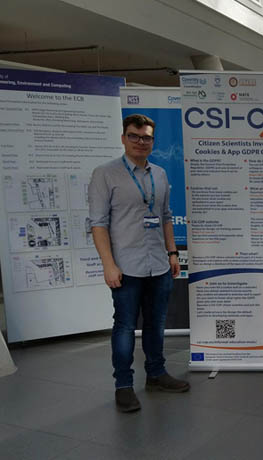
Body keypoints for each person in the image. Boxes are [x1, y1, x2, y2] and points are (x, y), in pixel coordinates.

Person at [89, 114, 189, 413]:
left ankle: (156, 375)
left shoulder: (159, 174)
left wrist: (173, 254)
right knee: (124, 327)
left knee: (156, 324)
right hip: (126, 266)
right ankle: (123, 385)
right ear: (123, 138)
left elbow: (166, 217)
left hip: (158, 263)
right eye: (134, 136)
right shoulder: (105, 174)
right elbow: (98, 223)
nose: (140, 142)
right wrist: (108, 265)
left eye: (146, 137)